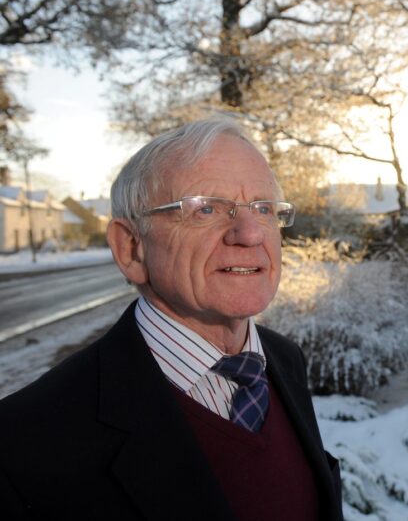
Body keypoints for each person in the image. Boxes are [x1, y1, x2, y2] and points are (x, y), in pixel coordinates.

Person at [0, 118, 343, 520]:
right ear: (131, 248)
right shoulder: (22, 442)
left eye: (264, 208)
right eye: (206, 209)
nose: (250, 234)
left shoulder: (283, 360)